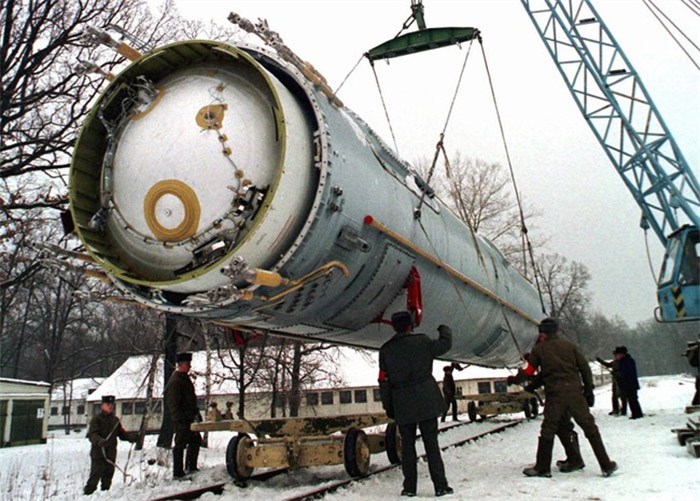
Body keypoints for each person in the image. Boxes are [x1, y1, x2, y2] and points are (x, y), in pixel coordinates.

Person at [523, 318, 617, 478]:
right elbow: (585, 368)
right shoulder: (570, 346)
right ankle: (605, 464)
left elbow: (530, 372)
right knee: (589, 428)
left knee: (548, 429)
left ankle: (542, 468)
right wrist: (588, 389)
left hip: (555, 396)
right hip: (575, 394)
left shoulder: (539, 349)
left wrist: (518, 380)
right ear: (557, 331)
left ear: (542, 333)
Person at [378, 311, 454, 497]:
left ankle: (409, 488)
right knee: (432, 445)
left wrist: (389, 406)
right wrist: (445, 330)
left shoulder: (386, 350)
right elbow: (445, 345)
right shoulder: (423, 341)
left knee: (407, 447)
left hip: (402, 403)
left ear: (394, 327)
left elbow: (383, 381)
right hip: (426, 400)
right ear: (410, 325)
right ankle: (441, 486)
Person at [507, 344, 584, 472]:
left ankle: (544, 467)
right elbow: (543, 376)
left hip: (559, 397)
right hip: (568, 394)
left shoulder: (542, 354)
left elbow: (537, 375)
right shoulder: (557, 356)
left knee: (553, 428)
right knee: (563, 427)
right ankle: (574, 458)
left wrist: (515, 380)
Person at [84, 395, 136, 495]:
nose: (110, 406)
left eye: (112, 404)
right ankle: (87, 496)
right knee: (94, 477)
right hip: (98, 454)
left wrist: (132, 437)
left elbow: (122, 434)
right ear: (102, 405)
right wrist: (99, 441)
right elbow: (92, 434)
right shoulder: (96, 419)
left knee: (108, 477)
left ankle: (105, 495)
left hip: (111, 454)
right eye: (108, 404)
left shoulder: (115, 420)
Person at [165, 352, 202, 478]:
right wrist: (178, 419)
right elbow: (173, 403)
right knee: (180, 444)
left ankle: (191, 466)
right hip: (182, 419)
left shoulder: (184, 378)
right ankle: (178, 472)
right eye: (187, 364)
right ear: (181, 365)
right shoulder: (176, 381)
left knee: (195, 441)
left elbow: (191, 399)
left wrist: (196, 413)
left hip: (189, 418)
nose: (189, 366)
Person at [614, 346, 643, 419]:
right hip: (628, 384)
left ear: (621, 354)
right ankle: (636, 413)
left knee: (632, 399)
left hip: (630, 384)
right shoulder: (625, 361)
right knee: (632, 399)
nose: (615, 356)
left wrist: (619, 375)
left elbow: (627, 374)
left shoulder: (627, 361)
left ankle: (636, 414)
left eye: (617, 354)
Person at [596, 349, 627, 416]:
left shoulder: (624, 362)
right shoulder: (614, 362)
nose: (615, 356)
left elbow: (624, 372)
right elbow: (607, 365)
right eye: (614, 355)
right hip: (615, 381)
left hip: (621, 381)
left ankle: (623, 410)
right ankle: (615, 410)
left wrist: (616, 373)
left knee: (623, 396)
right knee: (614, 396)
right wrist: (600, 361)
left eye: (616, 355)